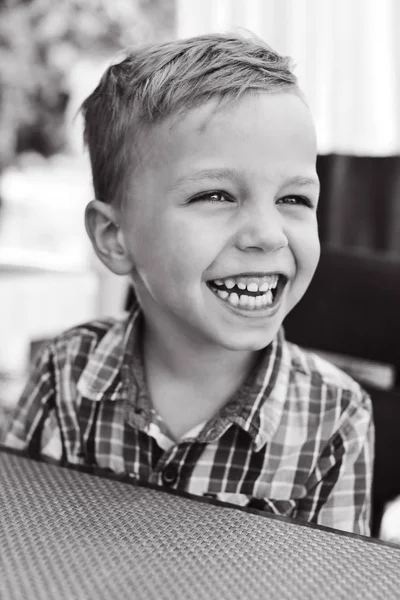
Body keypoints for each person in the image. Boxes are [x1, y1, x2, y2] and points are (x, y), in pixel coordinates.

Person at [4, 32, 374, 535]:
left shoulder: (337, 417)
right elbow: (20, 542)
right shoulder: (66, 372)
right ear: (115, 237)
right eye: (217, 195)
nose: (267, 235)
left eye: (294, 199)